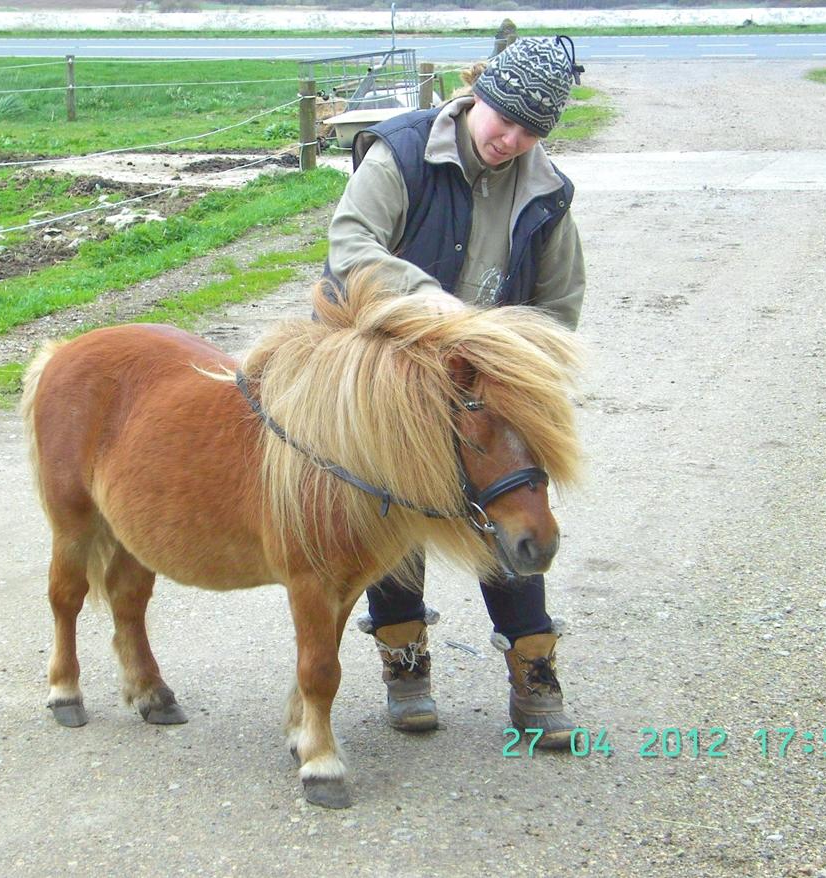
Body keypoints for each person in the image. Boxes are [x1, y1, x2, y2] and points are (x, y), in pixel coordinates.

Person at [323, 36, 586, 747]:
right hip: (392, 363)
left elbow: (560, 304)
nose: (511, 138)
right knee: (395, 510)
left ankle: (535, 676)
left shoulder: (548, 189)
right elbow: (349, 247)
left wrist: (522, 371)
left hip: (485, 379)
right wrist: (429, 304)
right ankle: (405, 663)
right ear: (479, 96)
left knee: (509, 500)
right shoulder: (402, 153)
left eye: (531, 129)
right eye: (503, 118)